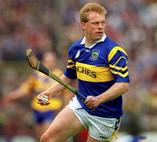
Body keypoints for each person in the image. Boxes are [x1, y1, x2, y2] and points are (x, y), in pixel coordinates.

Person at [38, 2, 130, 142]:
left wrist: (99, 99)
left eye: (102, 23)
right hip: (81, 107)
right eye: (95, 23)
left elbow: (123, 85)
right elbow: (69, 76)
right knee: (47, 139)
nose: (100, 27)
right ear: (83, 25)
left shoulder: (113, 51)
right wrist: (49, 92)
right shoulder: (75, 48)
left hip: (105, 116)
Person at [3, 51, 65, 140]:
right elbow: (25, 89)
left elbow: (66, 93)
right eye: (47, 61)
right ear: (43, 61)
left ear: (55, 62)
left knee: (46, 136)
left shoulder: (59, 74)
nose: (50, 63)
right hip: (37, 109)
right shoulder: (36, 75)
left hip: (52, 108)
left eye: (52, 61)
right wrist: (11, 96)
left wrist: (64, 108)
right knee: (39, 136)